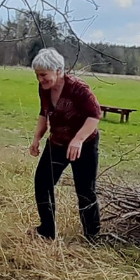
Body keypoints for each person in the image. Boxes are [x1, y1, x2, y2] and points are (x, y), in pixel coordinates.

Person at [29, 47, 103, 241]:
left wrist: (78, 140)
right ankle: (47, 231)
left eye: (44, 75)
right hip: (57, 143)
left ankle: (92, 236)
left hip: (84, 145)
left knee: (85, 190)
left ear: (59, 71)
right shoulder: (44, 88)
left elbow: (95, 116)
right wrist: (37, 137)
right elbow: (44, 112)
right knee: (42, 183)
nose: (40, 80)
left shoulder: (79, 89)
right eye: (37, 75)